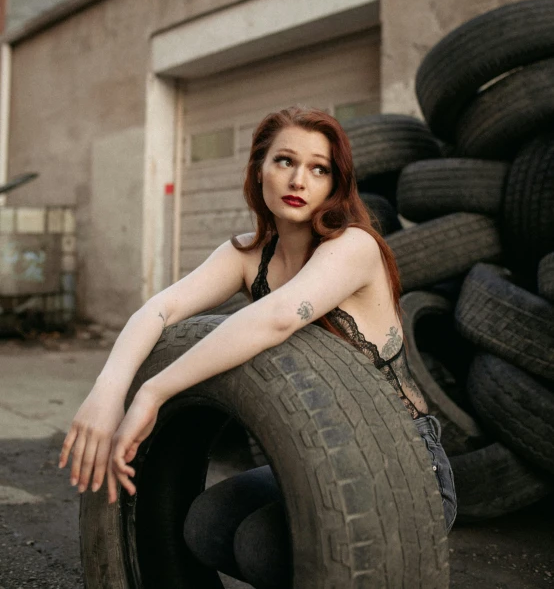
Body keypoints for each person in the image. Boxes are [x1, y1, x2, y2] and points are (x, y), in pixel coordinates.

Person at [59, 105, 456, 588]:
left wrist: (152, 393)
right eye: (284, 161)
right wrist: (109, 391)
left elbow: (276, 316)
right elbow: (158, 310)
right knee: (206, 526)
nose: (299, 180)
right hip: (325, 452)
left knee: (260, 545)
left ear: (335, 183)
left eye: (319, 168)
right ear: (259, 170)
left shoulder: (353, 247)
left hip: (404, 459)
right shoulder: (247, 255)